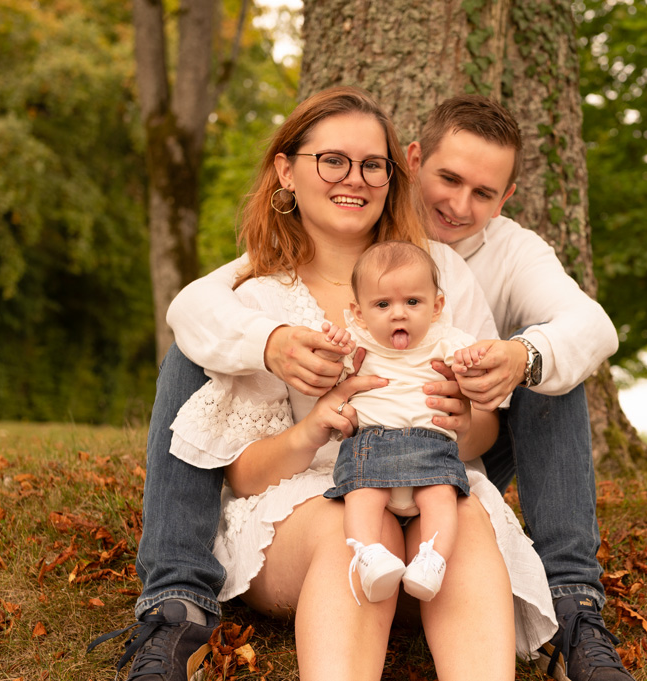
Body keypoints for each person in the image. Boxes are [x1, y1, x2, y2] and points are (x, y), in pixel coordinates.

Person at [93, 87, 557, 681]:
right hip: (309, 515)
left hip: (431, 506)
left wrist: (464, 422)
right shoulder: (260, 301)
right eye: (333, 160)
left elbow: (486, 432)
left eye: (372, 165)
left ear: (392, 176)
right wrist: (312, 429)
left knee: (463, 512)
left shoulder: (441, 274)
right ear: (286, 171)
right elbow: (243, 475)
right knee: (352, 520)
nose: (355, 179)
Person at [319, 240, 491, 604]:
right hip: (371, 443)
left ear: (436, 306)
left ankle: (432, 560)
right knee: (361, 497)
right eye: (382, 304)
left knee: (441, 499)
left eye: (413, 302)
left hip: (431, 444)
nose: (399, 314)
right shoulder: (359, 344)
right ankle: (370, 554)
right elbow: (332, 370)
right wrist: (332, 346)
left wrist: (471, 361)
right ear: (359, 313)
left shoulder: (443, 340)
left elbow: (470, 361)